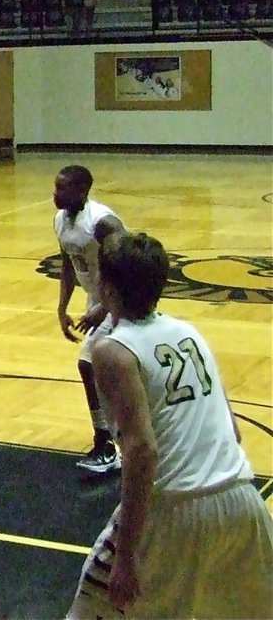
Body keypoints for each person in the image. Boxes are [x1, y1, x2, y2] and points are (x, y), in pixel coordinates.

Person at [67, 232, 273, 619]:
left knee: (97, 608)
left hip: (176, 509)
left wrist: (126, 555)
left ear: (106, 288)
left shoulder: (112, 349)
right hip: (243, 502)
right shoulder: (189, 332)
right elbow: (235, 431)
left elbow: (142, 451)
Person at [53, 165, 126, 473]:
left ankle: (107, 443)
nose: (55, 194)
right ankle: (122, 435)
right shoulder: (60, 220)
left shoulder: (104, 223)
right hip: (98, 299)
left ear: (82, 190)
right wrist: (62, 307)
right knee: (111, 370)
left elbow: (128, 268)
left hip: (122, 299)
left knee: (89, 364)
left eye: (61, 189)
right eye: (54, 187)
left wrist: (106, 306)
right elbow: (69, 265)